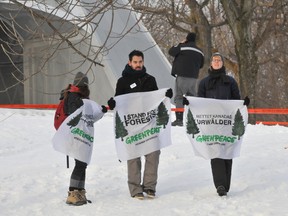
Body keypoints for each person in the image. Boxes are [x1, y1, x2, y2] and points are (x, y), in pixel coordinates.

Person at [107, 50, 173, 199]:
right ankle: (135, 189)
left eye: (140, 62)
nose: (138, 65)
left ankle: (150, 187)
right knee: (133, 156)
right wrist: (113, 103)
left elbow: (156, 100)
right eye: (135, 62)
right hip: (131, 125)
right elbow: (119, 103)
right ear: (130, 62)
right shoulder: (122, 81)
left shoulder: (150, 79)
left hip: (149, 123)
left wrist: (165, 96)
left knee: (153, 153)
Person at [196, 52, 249, 196]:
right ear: (211, 63)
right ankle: (219, 185)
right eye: (214, 60)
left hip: (227, 123)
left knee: (227, 151)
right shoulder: (204, 83)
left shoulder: (230, 81)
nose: (217, 62)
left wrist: (243, 104)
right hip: (211, 123)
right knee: (216, 152)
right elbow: (199, 103)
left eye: (219, 60)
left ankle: (226, 185)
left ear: (223, 63)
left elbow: (235, 100)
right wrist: (190, 104)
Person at [64, 72, 107, 205]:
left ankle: (80, 192)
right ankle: (72, 193)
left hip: (82, 135)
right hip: (76, 136)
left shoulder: (79, 97)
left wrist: (101, 111)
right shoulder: (73, 97)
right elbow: (75, 116)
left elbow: (89, 118)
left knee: (82, 163)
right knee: (80, 164)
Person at [168, 32, 204, 126]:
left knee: (179, 97)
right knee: (192, 98)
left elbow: (171, 51)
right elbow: (201, 65)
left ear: (187, 39)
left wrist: (180, 43)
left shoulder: (182, 47)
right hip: (193, 78)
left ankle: (179, 120)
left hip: (182, 76)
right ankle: (195, 120)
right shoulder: (200, 51)